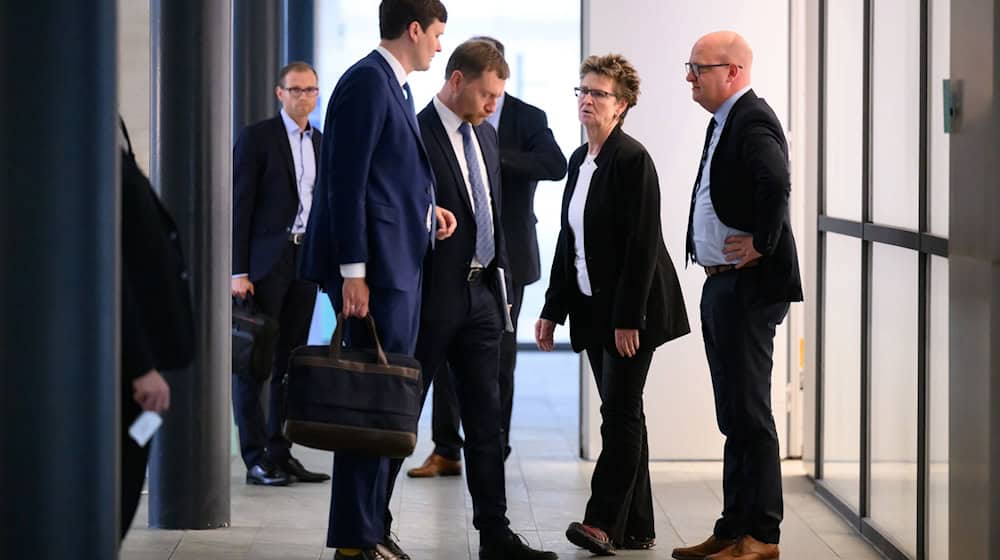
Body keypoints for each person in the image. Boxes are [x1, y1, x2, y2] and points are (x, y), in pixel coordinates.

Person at [386, 39, 557, 560]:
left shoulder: (485, 136)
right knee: (401, 414)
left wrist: (501, 287)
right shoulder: (414, 130)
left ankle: (496, 535)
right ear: (456, 80)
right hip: (432, 296)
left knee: (487, 418)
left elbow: (496, 215)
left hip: (484, 295)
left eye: (498, 96)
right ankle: (373, 524)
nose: (491, 105)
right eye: (486, 94)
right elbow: (390, 207)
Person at [298, 1, 456, 558]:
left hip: (397, 266)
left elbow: (387, 176)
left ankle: (369, 528)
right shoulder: (367, 81)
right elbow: (345, 182)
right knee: (368, 405)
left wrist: (425, 208)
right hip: (376, 275)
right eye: (437, 34)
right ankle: (354, 540)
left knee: (384, 404)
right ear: (414, 29)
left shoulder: (396, 86)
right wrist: (353, 272)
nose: (439, 45)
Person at [535, 54, 690, 556]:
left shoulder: (631, 159)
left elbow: (641, 245)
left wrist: (630, 320)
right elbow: (569, 240)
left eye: (598, 93)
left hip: (633, 311)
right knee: (625, 414)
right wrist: (551, 309)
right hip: (593, 308)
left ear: (621, 106)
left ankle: (601, 522)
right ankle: (639, 526)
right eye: (582, 90)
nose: (586, 99)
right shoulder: (581, 162)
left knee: (619, 414)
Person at [670, 31, 802, 560]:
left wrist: (762, 245)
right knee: (733, 415)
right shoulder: (726, 121)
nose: (689, 77)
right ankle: (732, 528)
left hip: (746, 287)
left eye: (697, 68)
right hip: (722, 283)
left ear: (733, 72)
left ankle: (762, 535)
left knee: (749, 413)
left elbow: (777, 183)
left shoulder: (752, 119)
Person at [231, 61, 329, 487]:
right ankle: (254, 458)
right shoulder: (258, 139)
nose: (303, 97)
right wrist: (238, 271)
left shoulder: (323, 143)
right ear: (279, 93)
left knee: (291, 362)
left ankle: (279, 452)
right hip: (265, 266)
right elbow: (239, 207)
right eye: (295, 90)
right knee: (254, 364)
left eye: (310, 90)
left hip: (304, 263)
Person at [119, 118, 195, 539]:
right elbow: (111, 280)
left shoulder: (111, 156)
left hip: (138, 357)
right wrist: (142, 364)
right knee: (119, 478)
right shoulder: (92, 170)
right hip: (127, 364)